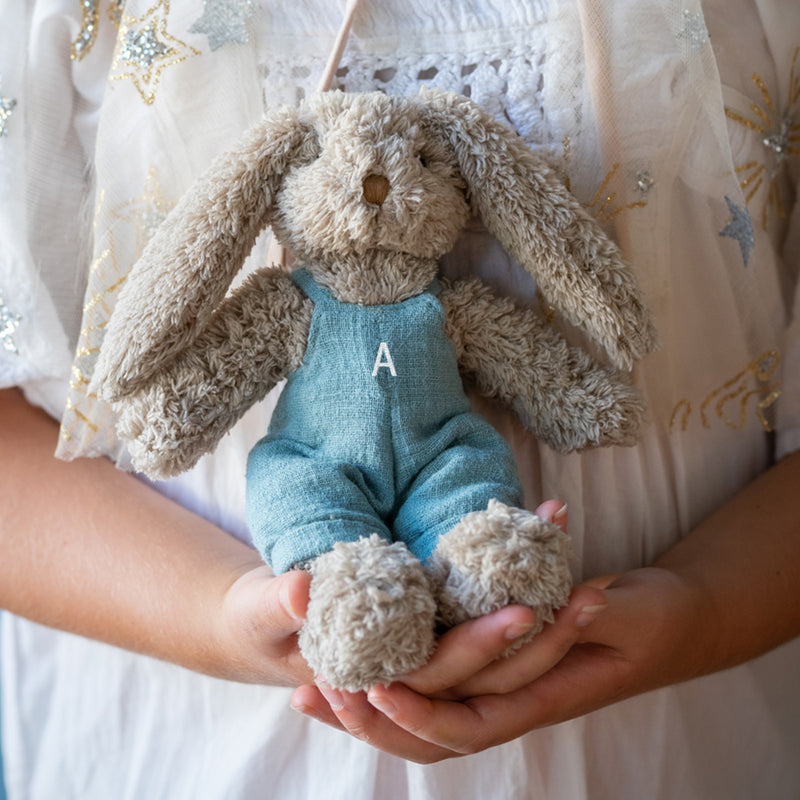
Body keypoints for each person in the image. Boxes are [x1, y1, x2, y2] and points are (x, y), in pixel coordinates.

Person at [1, 0, 799, 797]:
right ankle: (342, 582)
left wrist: (703, 613)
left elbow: (535, 363)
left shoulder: (445, 313)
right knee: (304, 487)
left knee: (463, 474)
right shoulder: (291, 309)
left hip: (673, 733)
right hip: (210, 737)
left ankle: (481, 561)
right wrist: (224, 615)